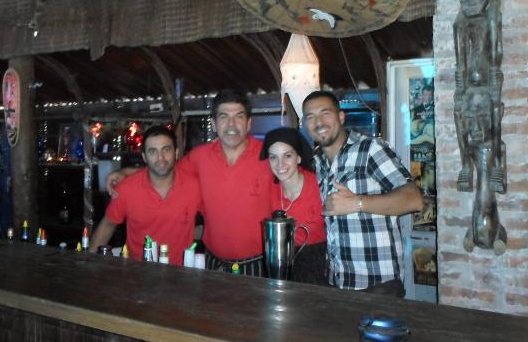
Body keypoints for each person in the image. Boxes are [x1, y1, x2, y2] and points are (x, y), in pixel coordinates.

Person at [107, 89, 274, 276]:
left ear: (249, 123)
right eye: (224, 117)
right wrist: (126, 172)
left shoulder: (270, 156)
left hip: (258, 264)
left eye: (239, 117)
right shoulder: (200, 157)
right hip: (213, 263)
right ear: (214, 124)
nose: (231, 124)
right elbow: (165, 170)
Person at [302, 90, 423, 296]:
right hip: (337, 281)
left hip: (378, 285)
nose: (319, 122)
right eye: (310, 117)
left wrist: (357, 203)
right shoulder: (318, 161)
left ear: (341, 117)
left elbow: (414, 199)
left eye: (325, 113)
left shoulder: (369, 149)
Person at [89, 125, 202, 265]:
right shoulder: (127, 189)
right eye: (153, 151)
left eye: (166, 150)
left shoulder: (194, 186)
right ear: (144, 157)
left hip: (181, 272)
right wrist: (89, 263)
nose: (160, 157)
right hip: (138, 271)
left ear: (176, 153)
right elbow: (107, 225)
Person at [260, 127, 327, 285]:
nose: (280, 164)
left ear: (298, 157)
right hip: (279, 264)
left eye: (287, 156)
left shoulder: (320, 185)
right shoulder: (268, 189)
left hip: (318, 265)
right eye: (273, 157)